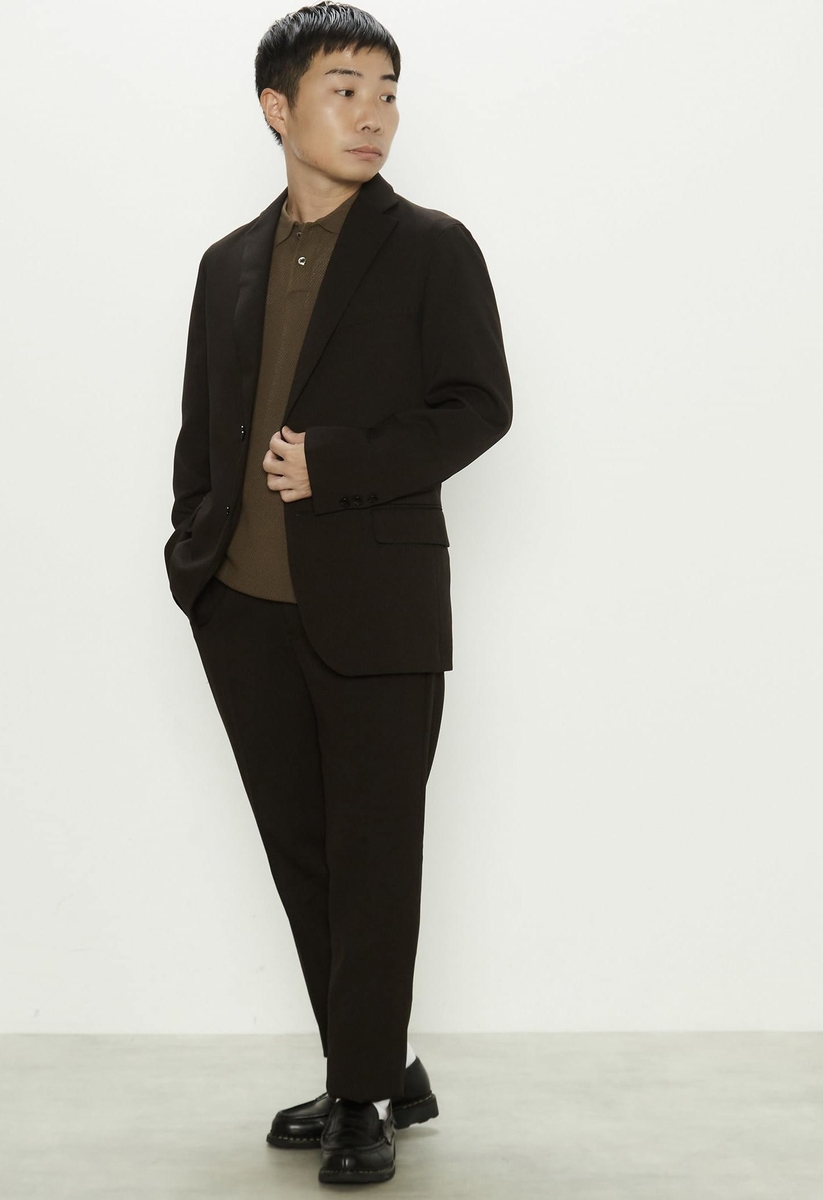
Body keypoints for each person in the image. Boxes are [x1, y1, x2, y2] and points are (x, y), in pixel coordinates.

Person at [164, 1, 512, 1185]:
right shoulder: (227, 263)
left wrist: (339, 463)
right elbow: (205, 430)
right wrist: (195, 562)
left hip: (378, 611)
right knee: (304, 859)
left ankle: (363, 1094)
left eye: (389, 91)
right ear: (279, 109)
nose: (375, 114)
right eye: (346, 89)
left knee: (373, 860)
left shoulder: (431, 249)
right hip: (243, 610)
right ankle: (379, 1067)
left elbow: (479, 406)